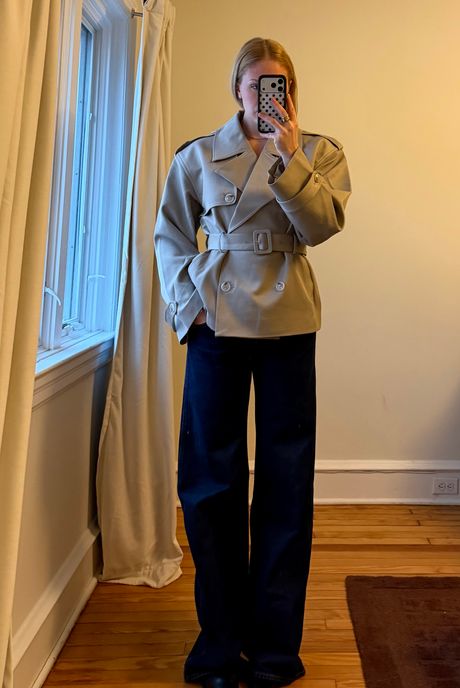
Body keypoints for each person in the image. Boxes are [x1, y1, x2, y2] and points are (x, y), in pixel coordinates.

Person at [154, 37, 351, 688]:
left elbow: (321, 227)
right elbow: (170, 235)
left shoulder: (319, 153)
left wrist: (288, 156)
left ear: (291, 91)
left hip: (289, 320)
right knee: (211, 483)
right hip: (217, 320)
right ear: (237, 90)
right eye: (259, 84)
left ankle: (275, 651)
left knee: (285, 484)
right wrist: (190, 307)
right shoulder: (198, 155)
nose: (270, 95)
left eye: (281, 85)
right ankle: (218, 647)